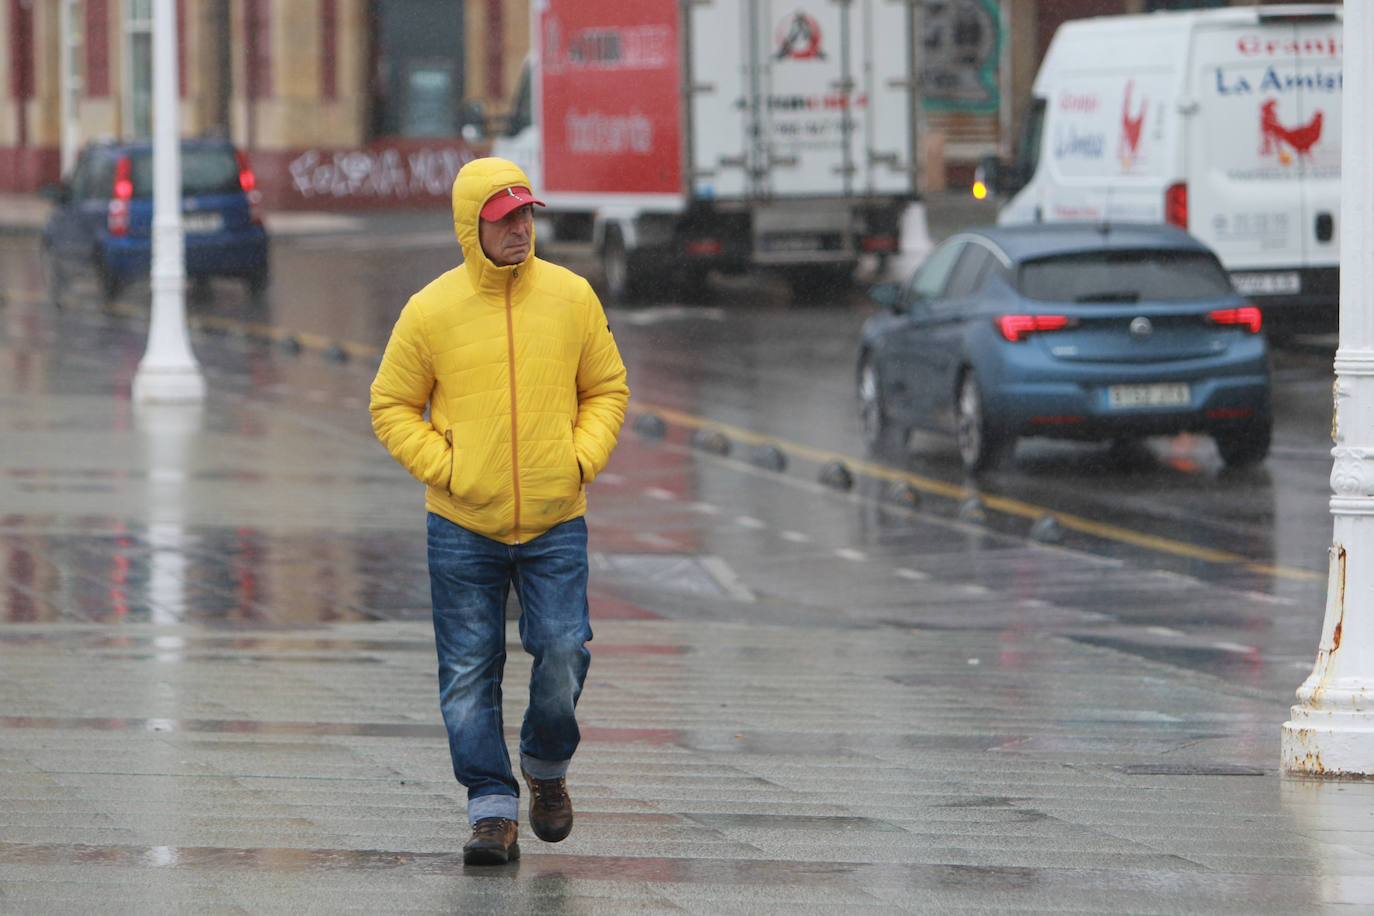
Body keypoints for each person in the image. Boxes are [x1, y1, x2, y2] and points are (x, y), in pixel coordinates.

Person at [369, 157, 629, 866]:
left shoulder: (572, 297)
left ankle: (546, 769)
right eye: (502, 219)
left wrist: (578, 461)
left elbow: (606, 387)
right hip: (461, 525)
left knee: (563, 652)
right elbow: (390, 404)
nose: (520, 228)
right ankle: (490, 808)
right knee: (466, 673)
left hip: (555, 520)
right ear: (470, 228)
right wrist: (448, 469)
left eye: (526, 214)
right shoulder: (431, 310)